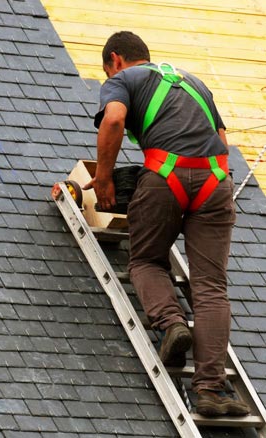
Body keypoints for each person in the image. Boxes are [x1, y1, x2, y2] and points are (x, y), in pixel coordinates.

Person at [84, 31, 250, 417]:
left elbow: (113, 120)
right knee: (210, 287)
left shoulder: (122, 81)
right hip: (215, 181)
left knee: (145, 260)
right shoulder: (194, 82)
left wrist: (105, 178)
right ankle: (211, 388)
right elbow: (221, 139)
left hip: (166, 175)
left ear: (116, 60)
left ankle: (171, 322)